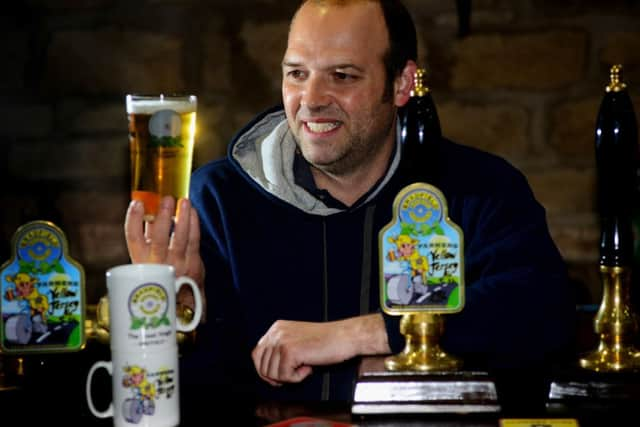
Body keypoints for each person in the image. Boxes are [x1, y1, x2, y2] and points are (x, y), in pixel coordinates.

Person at [124, 0, 575, 404]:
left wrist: (359, 336)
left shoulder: (477, 188)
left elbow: (545, 313)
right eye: (297, 73)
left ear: (402, 84)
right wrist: (178, 322)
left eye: (342, 76)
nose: (312, 100)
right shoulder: (219, 197)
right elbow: (195, 393)